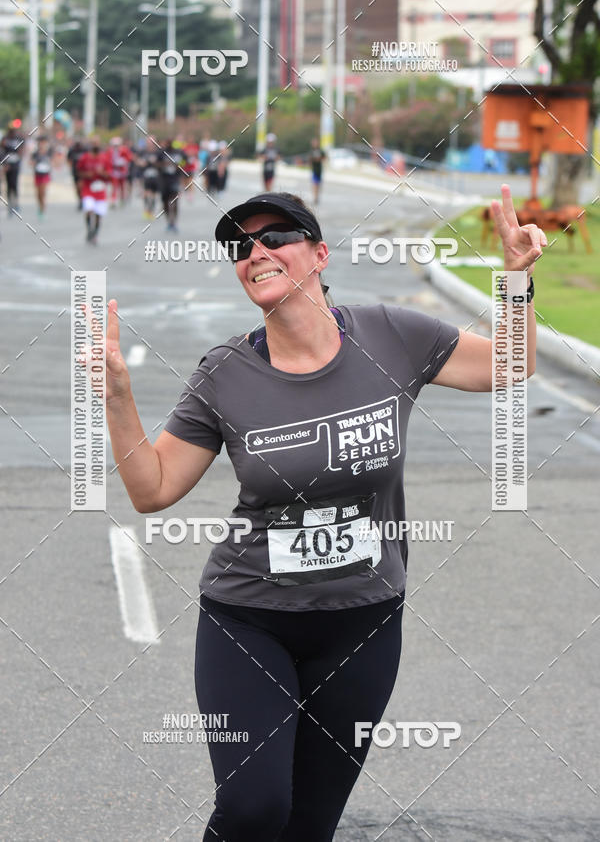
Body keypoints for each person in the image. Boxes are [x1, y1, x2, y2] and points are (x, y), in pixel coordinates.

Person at [102, 185, 545, 841]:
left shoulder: (393, 336)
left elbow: (510, 365)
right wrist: (116, 394)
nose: (256, 253)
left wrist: (516, 280)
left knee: (309, 823)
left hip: (363, 624)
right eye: (241, 247)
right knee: (254, 809)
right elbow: (154, 487)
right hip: (250, 620)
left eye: (275, 236)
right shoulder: (225, 372)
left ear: (319, 254)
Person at [77, 137, 112, 244]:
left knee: (98, 214)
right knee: (89, 210)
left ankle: (95, 233)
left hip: (100, 191)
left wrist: (102, 173)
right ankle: (89, 229)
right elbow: (78, 171)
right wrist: (86, 175)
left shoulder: (104, 158)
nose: (95, 145)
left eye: (97, 143)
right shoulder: (84, 158)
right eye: (93, 144)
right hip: (88, 189)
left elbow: (109, 175)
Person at [157, 139, 184, 231]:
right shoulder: (161, 153)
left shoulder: (179, 153)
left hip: (175, 180)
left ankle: (174, 222)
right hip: (164, 180)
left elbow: (185, 162)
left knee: (175, 201)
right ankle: (169, 221)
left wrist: (178, 165)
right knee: (165, 202)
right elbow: (155, 164)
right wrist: (165, 164)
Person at [1, 123, 24, 216]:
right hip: (7, 163)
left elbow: (21, 150)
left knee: (14, 184)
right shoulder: (5, 138)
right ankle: (10, 205)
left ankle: (16, 203)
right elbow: (2, 149)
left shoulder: (18, 138)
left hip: (15, 164)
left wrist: (20, 157)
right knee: (9, 184)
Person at [31, 136, 53, 216]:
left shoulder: (48, 152)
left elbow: (53, 161)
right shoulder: (35, 153)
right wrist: (34, 163)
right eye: (41, 143)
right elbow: (31, 162)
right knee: (38, 194)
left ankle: (43, 207)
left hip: (45, 174)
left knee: (42, 192)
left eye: (44, 143)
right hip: (37, 174)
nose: (42, 145)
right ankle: (40, 206)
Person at [67, 138, 87, 209]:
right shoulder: (72, 150)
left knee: (82, 186)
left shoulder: (84, 150)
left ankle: (83, 200)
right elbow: (69, 160)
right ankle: (80, 200)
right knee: (77, 187)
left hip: (84, 172)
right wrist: (70, 168)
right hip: (75, 172)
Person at [309, 137, 325, 205]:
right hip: (314, 170)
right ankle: (315, 197)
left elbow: (324, 157)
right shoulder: (311, 151)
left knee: (318, 184)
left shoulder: (321, 151)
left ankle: (317, 196)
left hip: (319, 170)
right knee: (315, 184)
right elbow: (310, 160)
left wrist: (319, 159)